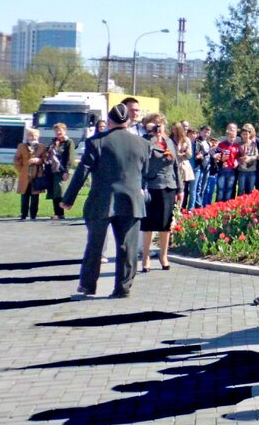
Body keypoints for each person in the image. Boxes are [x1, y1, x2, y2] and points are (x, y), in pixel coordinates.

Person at [63, 103, 151, 299]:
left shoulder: (96, 142)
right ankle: (123, 287)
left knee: (95, 244)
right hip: (132, 201)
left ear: (109, 121)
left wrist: (68, 199)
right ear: (128, 121)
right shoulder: (143, 144)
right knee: (127, 246)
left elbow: (82, 172)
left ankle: (88, 285)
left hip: (102, 200)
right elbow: (145, 173)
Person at [140, 113, 181, 273]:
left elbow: (176, 165)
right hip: (152, 185)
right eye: (155, 124)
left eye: (161, 124)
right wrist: (152, 136)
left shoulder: (169, 142)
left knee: (165, 224)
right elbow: (145, 159)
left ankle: (164, 256)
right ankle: (146, 257)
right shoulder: (145, 141)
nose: (159, 127)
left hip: (168, 185)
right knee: (149, 223)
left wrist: (180, 188)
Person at [43, 123, 75, 220]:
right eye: (56, 131)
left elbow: (70, 157)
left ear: (64, 131)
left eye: (60, 130)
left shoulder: (69, 142)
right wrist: (53, 147)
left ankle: (61, 213)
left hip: (62, 171)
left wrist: (67, 171)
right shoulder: (53, 142)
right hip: (52, 171)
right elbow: (47, 154)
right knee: (54, 192)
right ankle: (57, 213)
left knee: (60, 191)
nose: (58, 132)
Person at [15, 127, 45, 220]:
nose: (33, 137)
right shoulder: (21, 146)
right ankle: (23, 214)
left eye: (35, 135)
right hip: (25, 175)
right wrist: (21, 169)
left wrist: (38, 160)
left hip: (36, 175)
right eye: (31, 135)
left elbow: (45, 160)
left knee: (35, 197)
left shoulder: (42, 147)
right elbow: (17, 159)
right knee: (24, 195)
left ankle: (33, 215)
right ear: (27, 136)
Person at [213, 123, 240, 202]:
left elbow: (238, 157)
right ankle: (217, 207)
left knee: (229, 190)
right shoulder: (221, 145)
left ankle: (226, 208)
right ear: (227, 136)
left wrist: (237, 161)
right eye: (230, 137)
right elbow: (215, 155)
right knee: (220, 190)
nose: (232, 138)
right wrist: (221, 159)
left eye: (234, 137)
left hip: (232, 171)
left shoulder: (236, 145)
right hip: (222, 170)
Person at [172, 123, 195, 210]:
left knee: (182, 189)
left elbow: (190, 156)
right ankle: (173, 207)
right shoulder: (170, 140)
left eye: (176, 129)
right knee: (173, 189)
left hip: (183, 166)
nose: (174, 131)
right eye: (173, 129)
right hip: (173, 165)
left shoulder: (186, 140)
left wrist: (185, 150)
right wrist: (178, 152)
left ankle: (179, 208)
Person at [236, 124, 259, 197]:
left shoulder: (253, 144)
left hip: (251, 170)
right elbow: (236, 156)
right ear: (241, 135)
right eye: (243, 134)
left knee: (250, 190)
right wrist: (240, 159)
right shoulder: (239, 144)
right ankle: (239, 205)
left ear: (249, 134)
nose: (245, 136)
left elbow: (256, 155)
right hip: (242, 170)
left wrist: (250, 158)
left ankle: (248, 206)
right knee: (241, 190)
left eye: (247, 134)